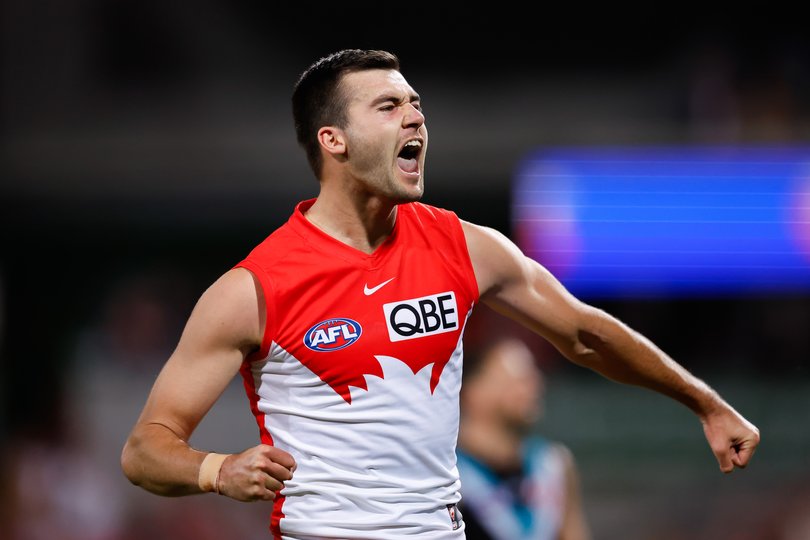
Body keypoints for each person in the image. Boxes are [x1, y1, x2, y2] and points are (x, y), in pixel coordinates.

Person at [120, 49, 760, 539]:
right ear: (332, 140)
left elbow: (584, 332)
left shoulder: (464, 247)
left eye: (416, 103)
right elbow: (145, 447)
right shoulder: (254, 288)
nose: (415, 116)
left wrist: (704, 403)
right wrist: (216, 470)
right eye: (388, 107)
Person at [457, 336, 590, 540]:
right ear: (472, 391)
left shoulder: (553, 464)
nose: (534, 384)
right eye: (517, 378)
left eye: (532, 375)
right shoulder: (449, 474)